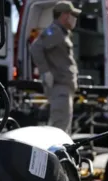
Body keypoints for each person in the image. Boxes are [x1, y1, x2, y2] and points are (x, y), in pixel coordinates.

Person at [30, 1, 80, 134]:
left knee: (63, 128)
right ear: (64, 15)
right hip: (59, 88)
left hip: (64, 88)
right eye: (72, 15)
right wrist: (45, 71)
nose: (74, 18)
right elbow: (36, 48)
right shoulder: (55, 31)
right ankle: (56, 154)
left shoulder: (62, 32)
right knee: (59, 129)